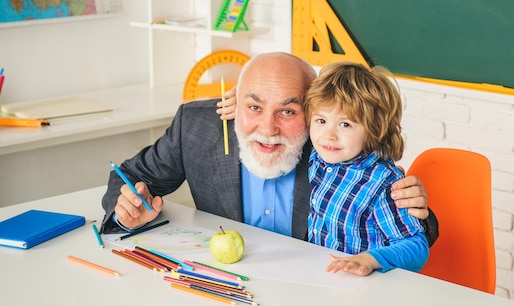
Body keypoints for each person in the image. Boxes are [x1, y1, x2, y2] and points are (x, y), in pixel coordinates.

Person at [101, 53, 438, 247]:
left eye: (288, 111)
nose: (267, 128)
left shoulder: (332, 144)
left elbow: (402, 222)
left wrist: (418, 210)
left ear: (313, 110)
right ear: (236, 99)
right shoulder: (198, 126)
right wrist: (127, 210)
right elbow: (131, 176)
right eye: (254, 107)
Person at [305, 61, 429, 276]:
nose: (329, 135)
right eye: (321, 120)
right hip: (322, 278)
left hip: (365, 287)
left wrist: (369, 259)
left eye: (345, 124)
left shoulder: (383, 183)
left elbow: (416, 246)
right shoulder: (317, 157)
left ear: (373, 129)